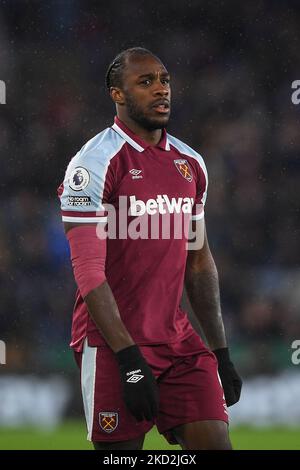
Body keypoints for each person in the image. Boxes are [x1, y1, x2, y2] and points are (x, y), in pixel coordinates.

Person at [57, 47, 242, 450]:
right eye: (146, 82)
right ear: (117, 94)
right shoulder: (93, 165)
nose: (161, 90)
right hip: (111, 343)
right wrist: (127, 358)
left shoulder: (190, 163)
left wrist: (220, 351)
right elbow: (89, 273)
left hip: (178, 343)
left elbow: (198, 262)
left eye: (165, 81)